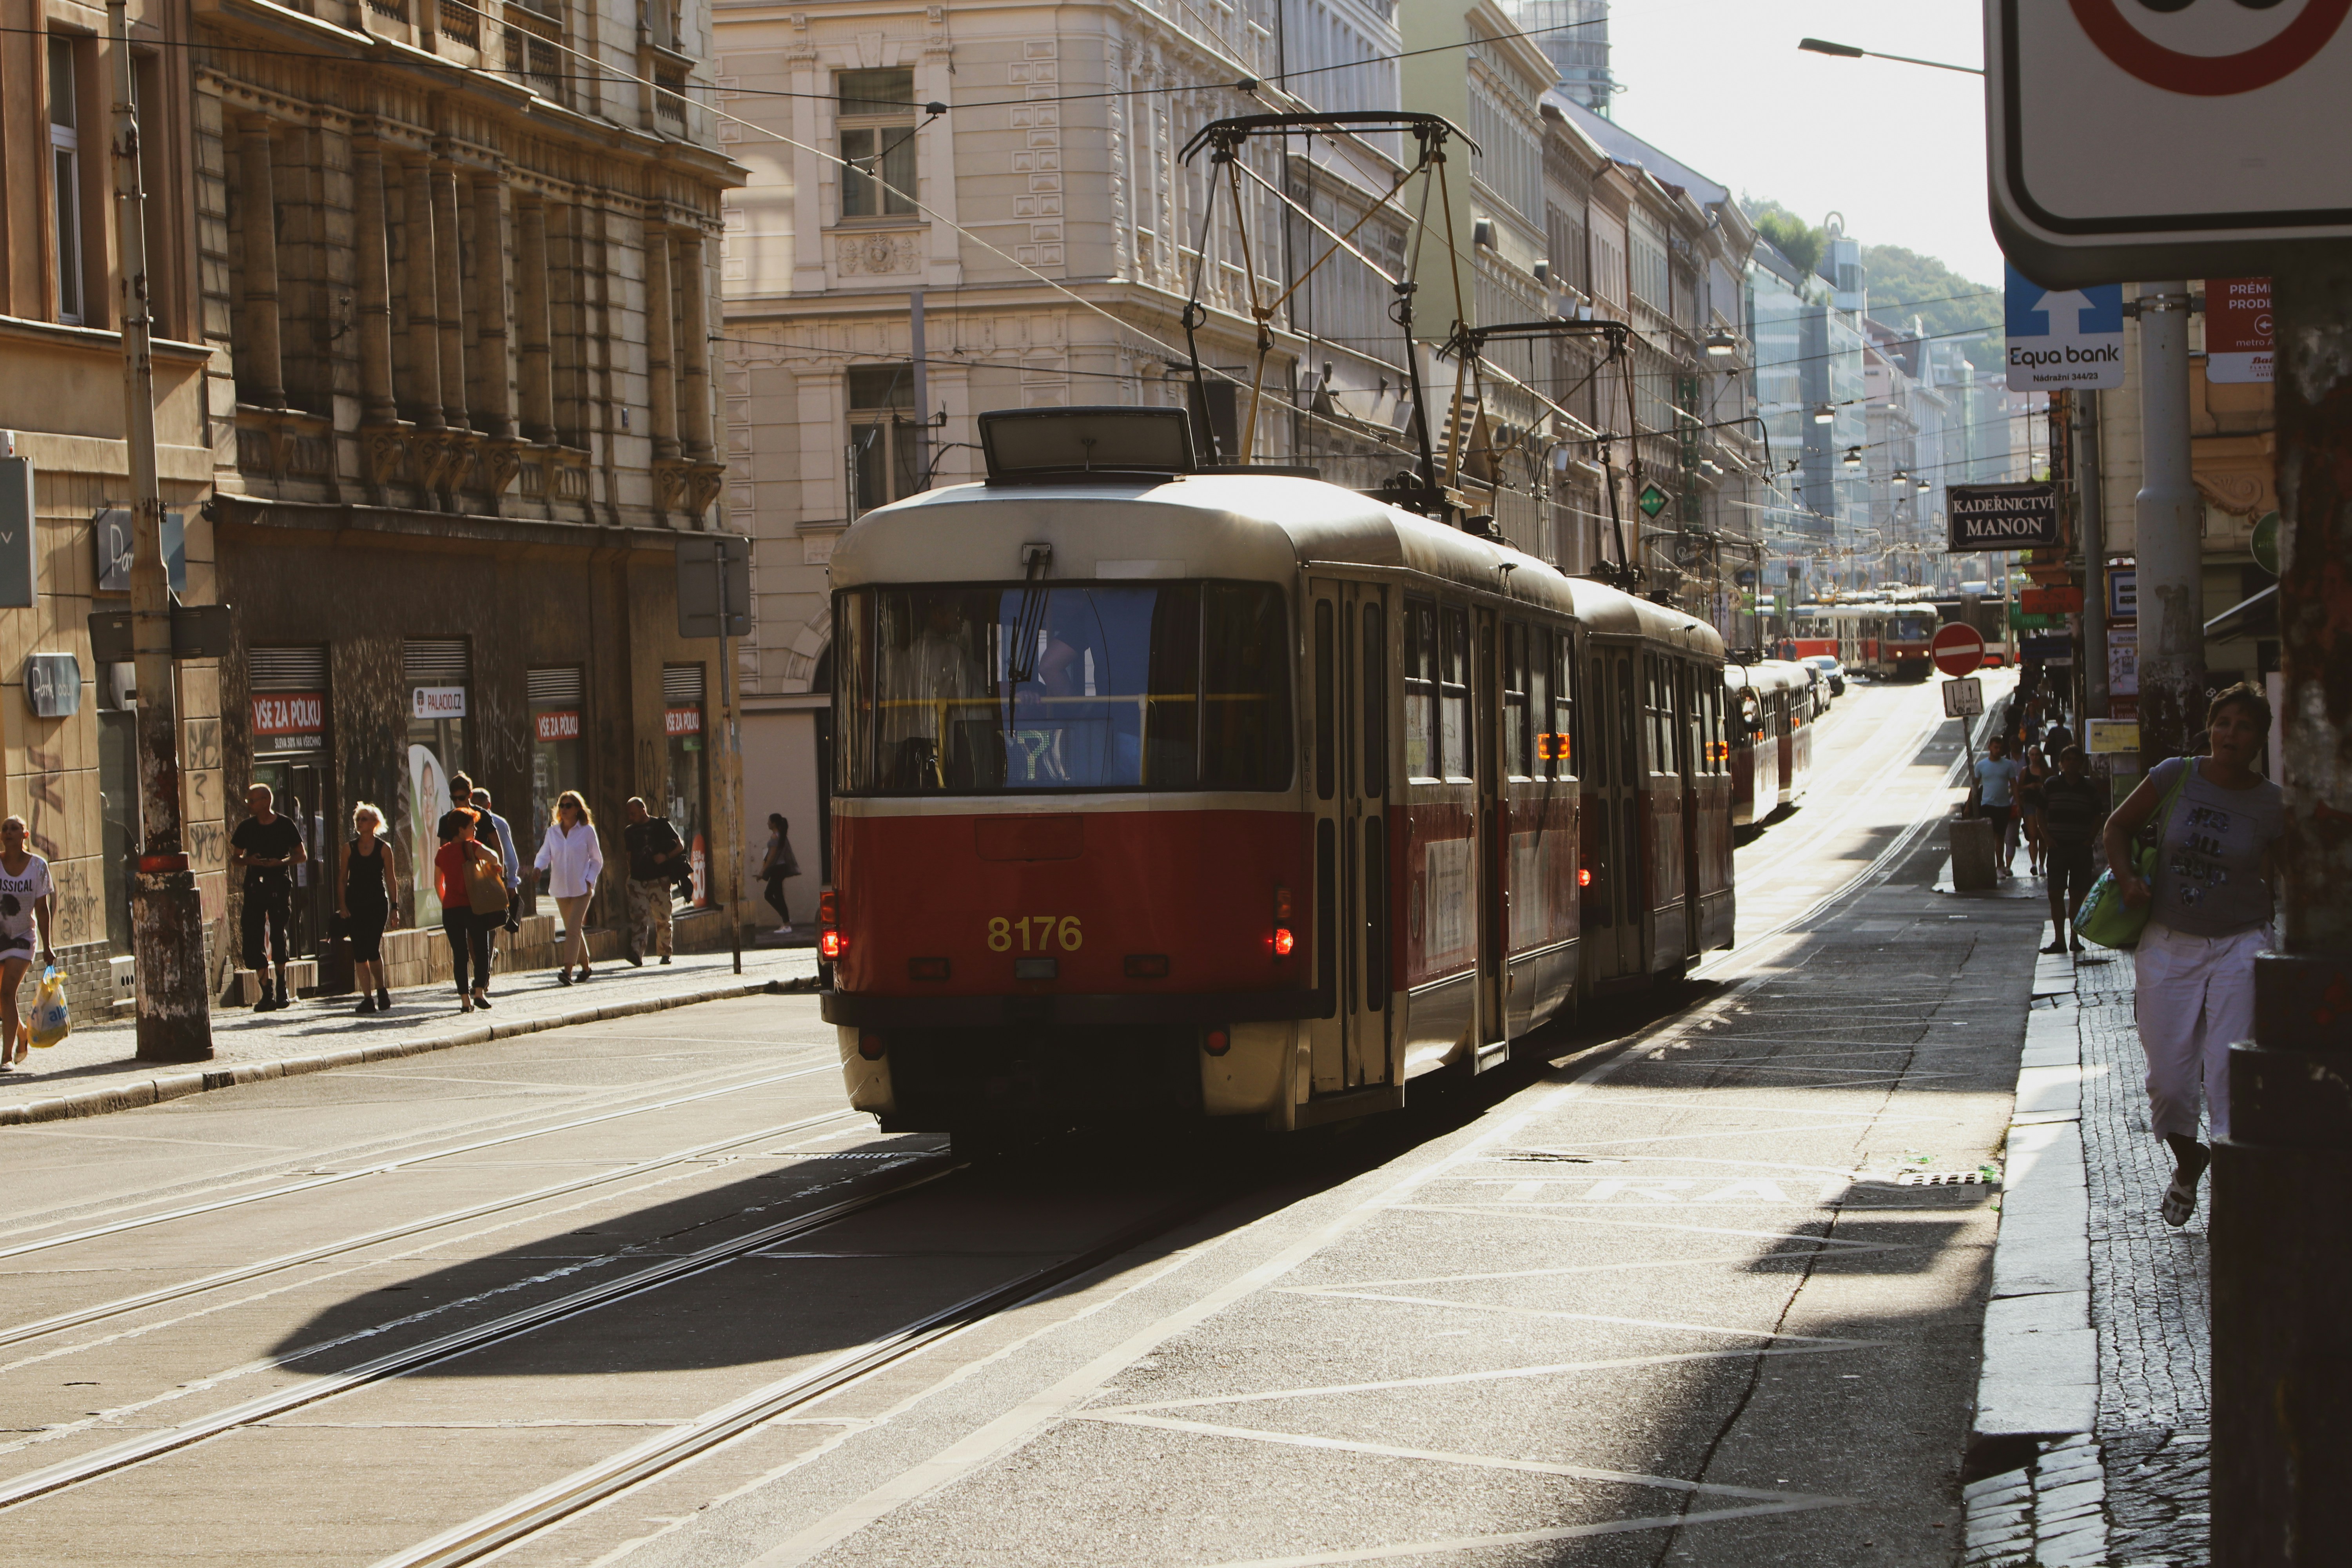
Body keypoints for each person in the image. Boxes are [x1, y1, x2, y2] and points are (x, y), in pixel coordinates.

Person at [2104, 684, 2284, 1229]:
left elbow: (2295, 869)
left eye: (2244, 726)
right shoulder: (2173, 775)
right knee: (2169, 1081)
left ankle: (2232, 1198)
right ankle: (2190, 1162)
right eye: (2223, 722)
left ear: (2259, 739)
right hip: (2168, 943)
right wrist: (2129, 878)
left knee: (2229, 1072)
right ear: (2210, 727)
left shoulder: (2273, 803)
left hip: (2242, 941)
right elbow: (2117, 828)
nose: (2231, 734)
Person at [230, 783, 308, 1010]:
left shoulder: (285, 825)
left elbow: (301, 855)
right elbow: (235, 858)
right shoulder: (246, 827)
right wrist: (249, 861)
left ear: (266, 801)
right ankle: (267, 991)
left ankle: (282, 986)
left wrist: (281, 862)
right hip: (255, 885)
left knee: (278, 934)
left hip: (279, 884)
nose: (249, 805)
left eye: (252, 801)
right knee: (252, 936)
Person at [434, 809, 503, 1012]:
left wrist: (447, 901)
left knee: (460, 955)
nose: (475, 829)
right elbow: (494, 857)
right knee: (481, 950)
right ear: (461, 829)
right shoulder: (471, 846)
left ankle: (465, 1001)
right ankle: (479, 993)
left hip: (451, 910)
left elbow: (438, 883)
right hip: (474, 907)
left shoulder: (442, 852)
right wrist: (493, 866)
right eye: (472, 826)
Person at [0, 817, 55, 1071]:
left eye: (14, 828)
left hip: (23, 938)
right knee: (1, 998)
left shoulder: (38, 867)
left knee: (7, 992)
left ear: (25, 835)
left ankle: (6, 1057)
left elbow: (42, 910)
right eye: (5, 829)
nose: (9, 832)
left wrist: (48, 946)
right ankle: (22, 1033)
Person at [2039, 746, 2104, 956]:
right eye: (2067, 759)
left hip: (2080, 848)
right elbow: (2039, 811)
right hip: (2057, 847)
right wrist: (2046, 837)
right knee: (2055, 893)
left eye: (2076, 760)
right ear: (2061, 763)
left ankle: (2075, 938)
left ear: (2081, 764)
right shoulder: (2051, 785)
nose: (2072, 763)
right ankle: (2060, 940)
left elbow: (2098, 815)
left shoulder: (2089, 787)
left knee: (2077, 894)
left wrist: (2089, 840)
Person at [336, 802, 400, 1013]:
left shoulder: (384, 848)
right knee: (359, 951)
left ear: (375, 823)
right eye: (358, 819)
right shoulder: (349, 848)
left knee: (372, 948)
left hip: (377, 904)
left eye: (364, 819)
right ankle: (367, 998)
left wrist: (395, 907)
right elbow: (342, 878)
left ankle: (381, 991)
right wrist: (342, 905)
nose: (360, 823)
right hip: (355, 904)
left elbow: (391, 879)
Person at [535, 791, 604, 984]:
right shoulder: (553, 833)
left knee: (572, 930)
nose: (564, 809)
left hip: (582, 888)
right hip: (560, 888)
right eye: (562, 805)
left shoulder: (587, 831)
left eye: (568, 806)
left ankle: (567, 970)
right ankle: (587, 967)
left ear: (577, 809)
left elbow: (597, 860)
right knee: (573, 929)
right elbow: (544, 854)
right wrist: (538, 868)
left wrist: (590, 880)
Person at [621, 796, 686, 967]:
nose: (631, 817)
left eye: (633, 813)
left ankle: (665, 952)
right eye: (629, 814)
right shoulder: (629, 831)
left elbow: (680, 846)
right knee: (639, 918)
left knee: (663, 917)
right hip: (638, 880)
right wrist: (631, 876)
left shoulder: (660, 825)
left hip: (659, 879)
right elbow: (629, 855)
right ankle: (637, 953)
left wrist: (665, 857)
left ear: (643, 810)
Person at [471, 788, 523, 936]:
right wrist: (511, 883)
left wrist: (511, 883)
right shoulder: (497, 822)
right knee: (488, 920)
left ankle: (488, 955)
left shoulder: (497, 823)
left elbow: (509, 856)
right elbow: (510, 857)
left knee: (488, 920)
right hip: (485, 878)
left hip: (487, 877)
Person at [1969, 734, 2023, 874]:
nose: (1998, 750)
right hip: (1988, 805)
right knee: (1990, 837)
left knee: (2000, 836)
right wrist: (1969, 805)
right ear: (1990, 748)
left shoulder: (2008, 765)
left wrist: (2019, 805)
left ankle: (2000, 866)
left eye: (2000, 748)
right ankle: (1991, 865)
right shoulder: (1981, 765)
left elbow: (2014, 785)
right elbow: (1974, 786)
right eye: (1996, 747)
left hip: (2004, 806)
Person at [759, 813, 800, 935]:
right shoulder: (781, 836)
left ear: (774, 823)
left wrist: (762, 871)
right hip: (781, 868)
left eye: (769, 821)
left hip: (777, 869)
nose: (767, 823)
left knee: (771, 895)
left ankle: (787, 923)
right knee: (776, 895)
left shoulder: (775, 837)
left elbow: (772, 857)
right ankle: (786, 918)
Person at [2017, 744, 2049, 878]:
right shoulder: (2026, 771)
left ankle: (2042, 865)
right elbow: (2019, 788)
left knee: (2043, 837)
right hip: (2030, 805)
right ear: (2029, 756)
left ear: (2041, 756)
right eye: (2032, 755)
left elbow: (2052, 786)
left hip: (2044, 806)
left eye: (2037, 755)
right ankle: (2034, 864)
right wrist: (2029, 787)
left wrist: (2041, 786)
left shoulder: (2047, 771)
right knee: (2033, 836)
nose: (2035, 757)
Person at [437, 771, 477, 844]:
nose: (457, 802)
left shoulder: (482, 815)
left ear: (470, 795)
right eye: (454, 798)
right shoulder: (445, 820)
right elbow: (444, 849)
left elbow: (497, 847)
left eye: (461, 798)